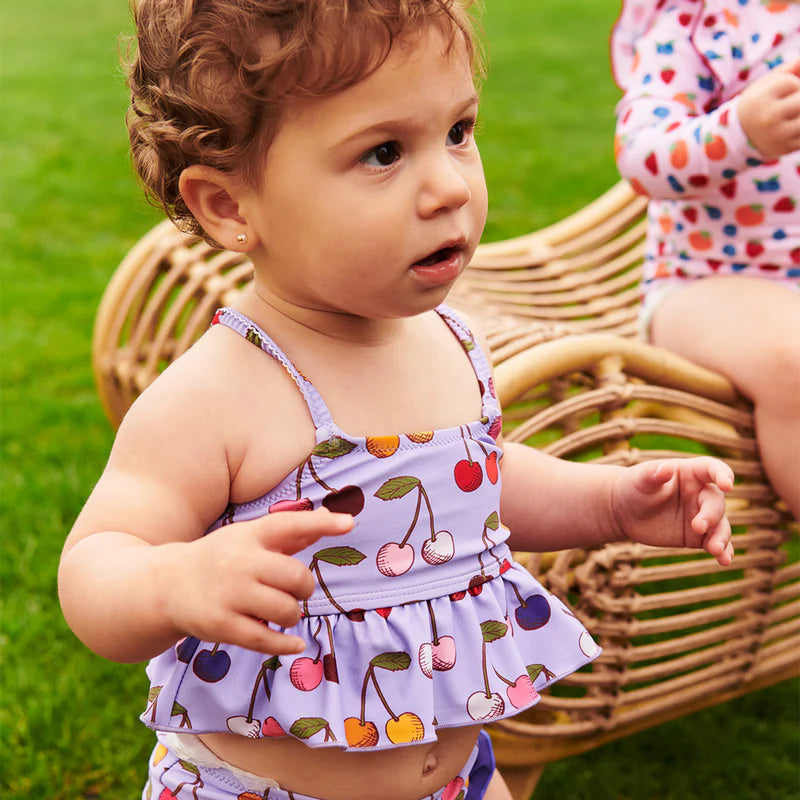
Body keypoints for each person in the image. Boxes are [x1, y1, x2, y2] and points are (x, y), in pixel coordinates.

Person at [58, 2, 736, 799]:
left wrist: (611, 504)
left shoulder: (448, 339)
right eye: (383, 153)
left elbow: (472, 483)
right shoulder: (222, 392)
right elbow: (93, 569)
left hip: (458, 776)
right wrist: (175, 581)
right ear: (232, 208)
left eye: (458, 132)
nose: (449, 186)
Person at [612, 0, 800, 519]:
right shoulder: (698, 26)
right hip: (708, 284)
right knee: (794, 361)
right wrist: (740, 132)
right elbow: (641, 154)